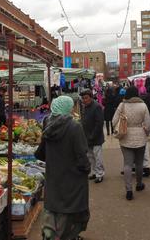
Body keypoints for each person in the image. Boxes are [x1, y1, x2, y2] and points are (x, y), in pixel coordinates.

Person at [35, 96, 91, 240]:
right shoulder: (74, 126)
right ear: (67, 108)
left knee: (53, 207)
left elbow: (41, 152)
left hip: (53, 174)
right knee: (71, 210)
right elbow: (81, 154)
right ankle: (68, 236)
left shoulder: (47, 122)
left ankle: (50, 234)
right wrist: (86, 168)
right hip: (72, 176)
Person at [113, 86, 150, 201]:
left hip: (125, 136)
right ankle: (139, 184)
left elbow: (114, 120)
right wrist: (146, 132)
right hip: (140, 136)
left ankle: (129, 190)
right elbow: (148, 124)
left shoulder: (122, 105)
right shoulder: (143, 105)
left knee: (127, 164)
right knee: (139, 163)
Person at [80, 89, 105, 183]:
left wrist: (93, 135)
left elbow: (99, 123)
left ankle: (100, 174)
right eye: (83, 98)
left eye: (86, 98)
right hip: (87, 136)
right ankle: (94, 172)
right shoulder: (84, 107)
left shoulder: (97, 107)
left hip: (96, 137)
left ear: (91, 97)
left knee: (98, 157)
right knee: (90, 156)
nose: (84, 100)